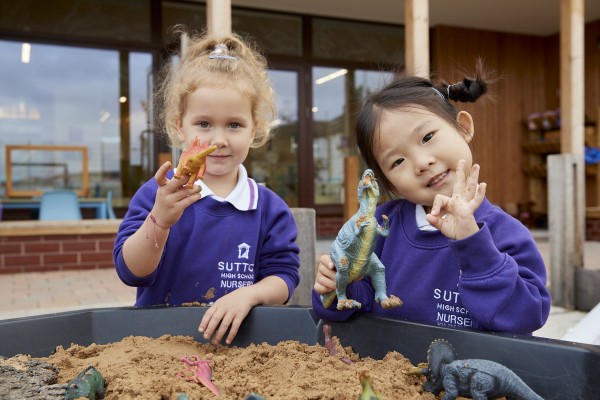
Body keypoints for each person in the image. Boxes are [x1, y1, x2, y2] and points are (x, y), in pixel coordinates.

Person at [312, 63, 551, 335]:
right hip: (391, 372)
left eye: (427, 137)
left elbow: (527, 315)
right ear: (389, 182)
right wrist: (336, 285)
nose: (422, 163)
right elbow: (355, 306)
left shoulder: (505, 233)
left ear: (462, 128)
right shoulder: (381, 226)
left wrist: (472, 244)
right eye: (398, 161)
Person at [113, 31, 300, 345]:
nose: (219, 140)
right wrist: (159, 220)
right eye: (204, 124)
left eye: (234, 125)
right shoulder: (157, 194)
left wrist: (249, 295)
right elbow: (130, 271)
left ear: (255, 127)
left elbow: (285, 279)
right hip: (157, 345)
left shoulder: (269, 208)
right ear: (179, 126)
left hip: (238, 347)